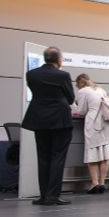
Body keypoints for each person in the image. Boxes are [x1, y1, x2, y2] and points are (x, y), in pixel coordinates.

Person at [22, 47, 75, 205]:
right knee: (58, 157)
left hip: (39, 119)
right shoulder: (63, 75)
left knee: (43, 157)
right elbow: (71, 98)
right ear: (58, 59)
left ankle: (44, 195)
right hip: (60, 120)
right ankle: (53, 196)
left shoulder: (31, 74)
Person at [72, 73, 109, 194]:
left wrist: (74, 106)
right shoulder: (101, 90)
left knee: (92, 153)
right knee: (105, 155)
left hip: (94, 124)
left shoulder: (83, 91)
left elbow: (81, 111)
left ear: (79, 83)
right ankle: (102, 183)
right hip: (107, 124)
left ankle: (94, 183)